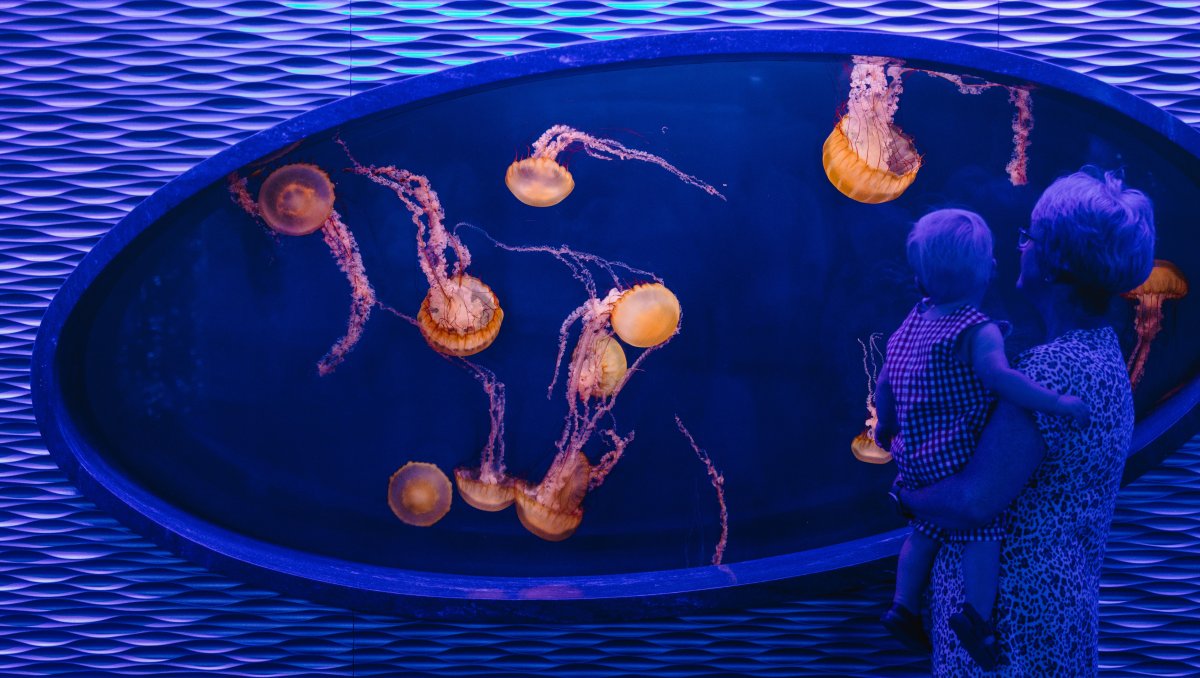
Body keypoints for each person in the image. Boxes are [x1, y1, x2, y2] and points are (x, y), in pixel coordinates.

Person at [895, 167, 1155, 675]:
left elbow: (974, 501)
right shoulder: (1101, 356)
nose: (1020, 247)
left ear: (1055, 263)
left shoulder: (1053, 371)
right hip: (1055, 616)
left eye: (1028, 237)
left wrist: (905, 497)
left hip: (1015, 634)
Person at [873, 208, 1090, 669]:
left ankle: (903, 605)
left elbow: (884, 385)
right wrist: (1056, 402)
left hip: (914, 453)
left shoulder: (912, 323)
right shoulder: (977, 329)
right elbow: (1000, 379)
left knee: (924, 530)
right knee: (982, 526)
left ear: (920, 275)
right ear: (988, 269)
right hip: (955, 452)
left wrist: (885, 428)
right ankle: (977, 617)